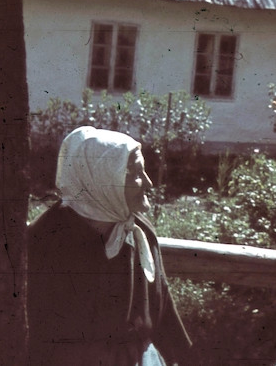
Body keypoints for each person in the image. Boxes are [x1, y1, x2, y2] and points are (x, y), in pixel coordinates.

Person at [27, 126, 192, 365]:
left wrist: (185, 358)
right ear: (102, 179)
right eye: (136, 173)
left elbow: (163, 307)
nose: (148, 183)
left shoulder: (140, 232)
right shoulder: (48, 240)